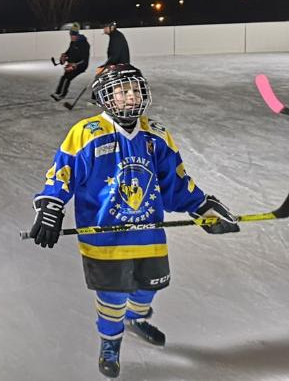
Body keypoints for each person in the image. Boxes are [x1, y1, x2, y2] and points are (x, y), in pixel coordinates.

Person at [29, 64, 239, 378]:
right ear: (105, 96)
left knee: (148, 288)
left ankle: (136, 319)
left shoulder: (156, 133)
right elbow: (61, 175)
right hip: (105, 240)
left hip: (149, 234)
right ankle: (110, 342)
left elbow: (175, 183)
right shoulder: (86, 133)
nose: (130, 96)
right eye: (122, 91)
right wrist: (50, 207)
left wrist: (202, 209)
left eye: (135, 90)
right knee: (113, 297)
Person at [51, 22, 90, 101]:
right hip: (72, 64)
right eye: (70, 35)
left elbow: (84, 59)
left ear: (77, 35)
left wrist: (74, 65)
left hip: (81, 65)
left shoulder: (84, 44)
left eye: (73, 35)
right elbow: (69, 52)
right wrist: (64, 56)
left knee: (67, 78)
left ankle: (62, 95)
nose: (71, 37)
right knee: (64, 77)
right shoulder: (73, 42)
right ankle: (58, 92)